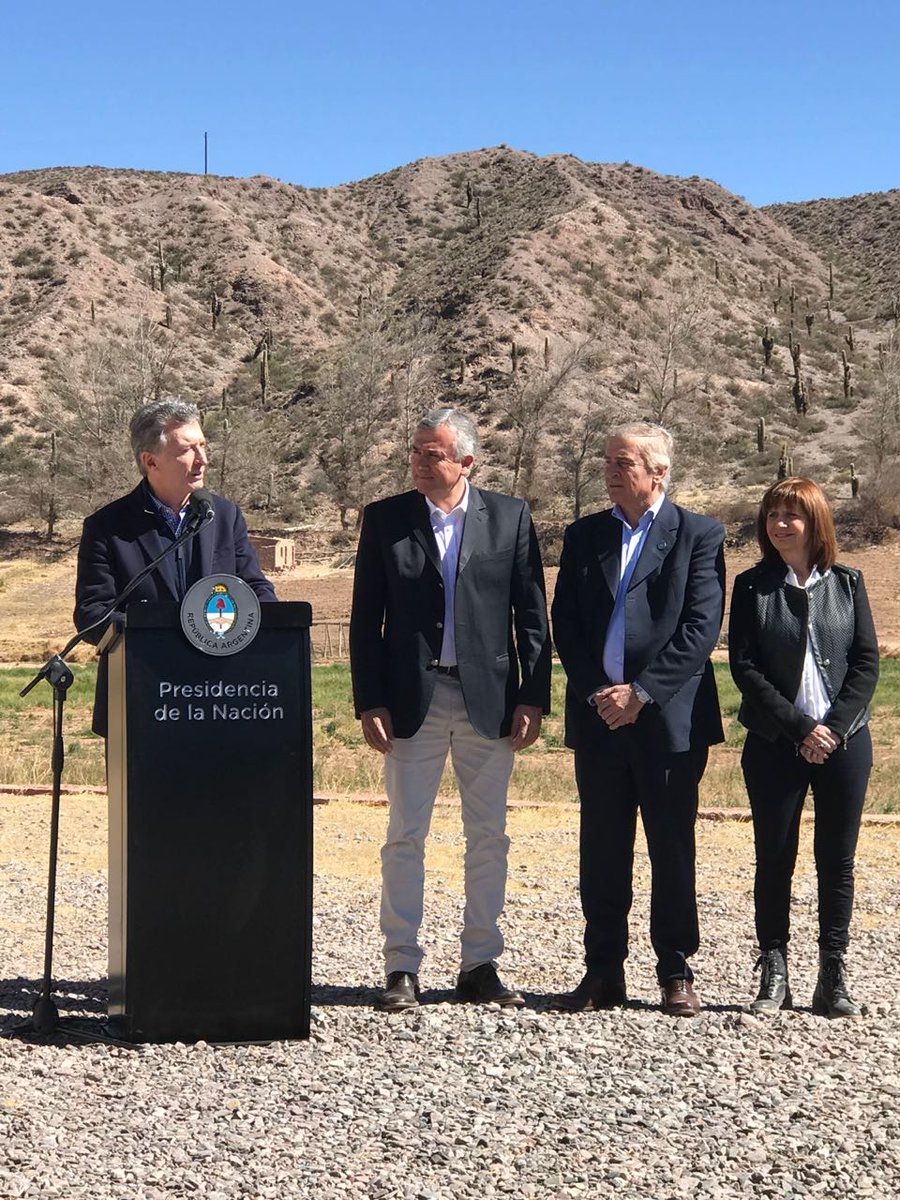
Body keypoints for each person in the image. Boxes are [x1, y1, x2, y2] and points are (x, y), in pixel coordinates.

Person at [350, 407, 552, 1012]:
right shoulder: (385, 519)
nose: (418, 462)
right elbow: (365, 619)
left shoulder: (510, 517)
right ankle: (401, 966)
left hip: (489, 700)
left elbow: (531, 614)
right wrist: (370, 699)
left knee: (488, 836)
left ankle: (480, 964)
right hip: (411, 702)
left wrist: (533, 695)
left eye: (431, 454)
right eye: (414, 451)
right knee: (404, 835)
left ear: (466, 461)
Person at [551, 422, 725, 1017]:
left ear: (659, 472)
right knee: (602, 848)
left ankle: (675, 969)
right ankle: (603, 971)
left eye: (623, 463)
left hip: (668, 720)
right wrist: (601, 693)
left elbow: (700, 628)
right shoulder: (585, 535)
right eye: (607, 462)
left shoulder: (697, 534)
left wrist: (642, 694)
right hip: (600, 717)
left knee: (671, 847)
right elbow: (566, 623)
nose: (610, 472)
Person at [729, 477, 878, 1018]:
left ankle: (832, 975)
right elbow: (745, 667)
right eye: (772, 515)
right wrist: (800, 730)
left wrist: (832, 730)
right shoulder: (751, 586)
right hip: (775, 742)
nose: (779, 524)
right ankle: (774, 971)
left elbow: (866, 664)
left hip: (844, 742)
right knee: (774, 857)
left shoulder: (848, 582)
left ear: (816, 523)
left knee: (836, 861)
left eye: (791, 515)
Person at [74, 398, 276, 737]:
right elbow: (91, 614)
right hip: (140, 700)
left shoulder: (225, 516)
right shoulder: (107, 527)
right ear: (150, 461)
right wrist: (162, 632)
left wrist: (275, 630)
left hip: (222, 697)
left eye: (202, 446)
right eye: (187, 450)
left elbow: (256, 589)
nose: (202, 460)